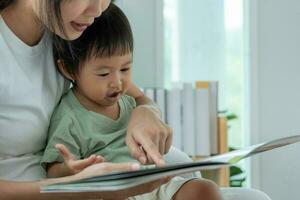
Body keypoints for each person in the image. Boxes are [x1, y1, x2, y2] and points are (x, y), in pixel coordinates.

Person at [41, 3, 221, 200]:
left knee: (205, 189)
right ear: (69, 69)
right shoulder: (69, 117)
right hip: (112, 192)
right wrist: (70, 170)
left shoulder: (127, 96)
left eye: (125, 69)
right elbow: (53, 171)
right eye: (103, 73)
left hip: (153, 182)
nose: (117, 82)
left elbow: (144, 103)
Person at [0, 0, 173, 199]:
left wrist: (146, 112)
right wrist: (74, 188)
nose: (98, 10)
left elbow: (138, 97)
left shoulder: (66, 32)